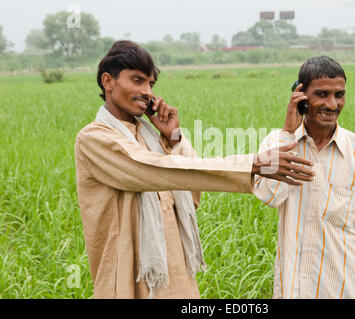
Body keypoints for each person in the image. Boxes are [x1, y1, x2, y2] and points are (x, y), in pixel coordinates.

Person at [74, 40, 315, 299]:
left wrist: (174, 137)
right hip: (127, 281)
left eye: (151, 84)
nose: (146, 91)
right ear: (108, 81)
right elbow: (155, 170)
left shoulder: (151, 137)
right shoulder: (94, 139)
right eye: (137, 80)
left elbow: (190, 192)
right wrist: (253, 165)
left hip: (175, 278)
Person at [253, 56, 355, 299]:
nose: (332, 104)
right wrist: (288, 133)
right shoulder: (276, 144)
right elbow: (269, 195)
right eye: (322, 94)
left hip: (345, 288)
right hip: (294, 289)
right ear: (300, 95)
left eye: (339, 94)